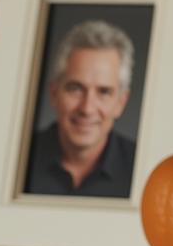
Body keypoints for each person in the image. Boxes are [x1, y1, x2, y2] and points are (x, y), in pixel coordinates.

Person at [24, 20, 136, 198]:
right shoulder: (18, 160)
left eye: (104, 92)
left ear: (121, 102)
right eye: (75, 88)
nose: (87, 108)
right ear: (54, 94)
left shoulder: (142, 170)